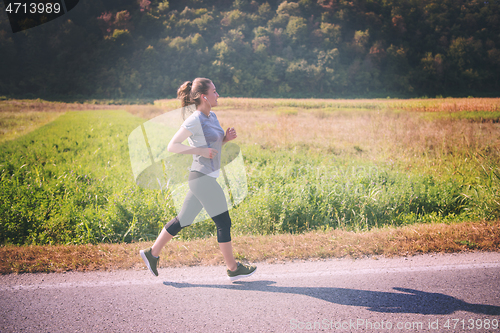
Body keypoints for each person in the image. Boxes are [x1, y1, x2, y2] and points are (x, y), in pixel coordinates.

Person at [140, 78, 256, 281]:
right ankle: (233, 268)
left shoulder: (212, 116)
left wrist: (225, 138)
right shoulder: (194, 119)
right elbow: (172, 145)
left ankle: (152, 253)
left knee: (183, 219)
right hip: (201, 178)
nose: (217, 95)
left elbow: (213, 142)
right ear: (204, 96)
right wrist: (200, 150)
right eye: (214, 91)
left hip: (204, 177)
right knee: (223, 222)